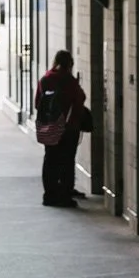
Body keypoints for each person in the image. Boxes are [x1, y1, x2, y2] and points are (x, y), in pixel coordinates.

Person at [35, 50, 86, 208]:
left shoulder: (45, 79)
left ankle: (49, 195)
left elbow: (38, 102)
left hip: (49, 127)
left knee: (50, 160)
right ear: (70, 64)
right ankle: (65, 195)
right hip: (68, 128)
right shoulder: (69, 81)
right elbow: (80, 99)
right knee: (67, 162)